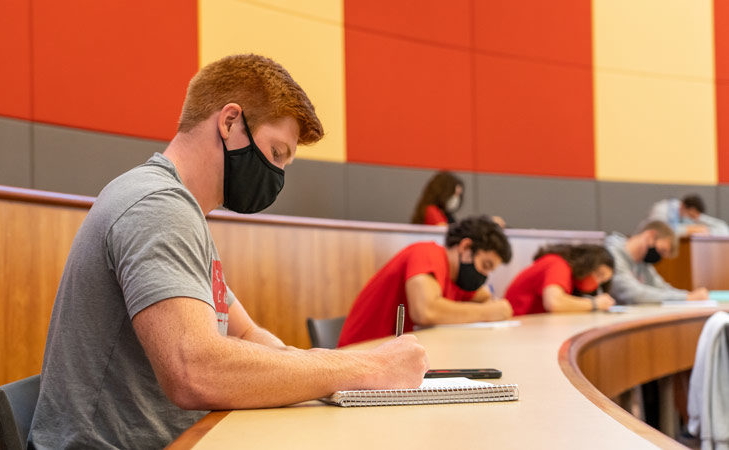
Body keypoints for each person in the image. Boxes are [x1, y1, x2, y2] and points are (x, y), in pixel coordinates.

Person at [28, 54, 429, 449]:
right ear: (230, 121)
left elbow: (248, 334)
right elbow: (195, 368)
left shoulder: (179, 210)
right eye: (276, 154)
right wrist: (368, 368)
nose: (278, 176)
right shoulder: (157, 206)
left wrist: (326, 374)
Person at [338, 215, 513, 347]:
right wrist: (489, 312)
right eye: (485, 265)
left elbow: (484, 296)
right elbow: (425, 311)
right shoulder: (427, 253)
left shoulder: (455, 280)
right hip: (360, 354)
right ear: (465, 247)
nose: (483, 276)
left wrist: (490, 304)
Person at [605, 220, 709, 304]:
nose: (659, 257)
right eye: (661, 250)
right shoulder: (612, 255)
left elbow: (662, 287)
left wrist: (690, 295)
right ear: (650, 235)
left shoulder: (643, 262)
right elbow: (633, 294)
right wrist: (686, 298)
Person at [505, 244, 616, 315]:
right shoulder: (558, 264)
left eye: (602, 281)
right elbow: (554, 303)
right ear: (587, 263)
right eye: (598, 274)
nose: (597, 283)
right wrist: (595, 304)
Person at [411, 171, 506, 227]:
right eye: (454, 194)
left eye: (458, 196)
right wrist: (483, 223)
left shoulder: (447, 215)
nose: (456, 199)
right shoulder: (431, 211)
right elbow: (449, 233)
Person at [647, 194, 729, 236]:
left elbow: (724, 229)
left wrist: (703, 230)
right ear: (684, 206)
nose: (691, 218)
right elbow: (661, 231)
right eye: (691, 215)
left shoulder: (687, 216)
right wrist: (690, 230)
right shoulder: (663, 209)